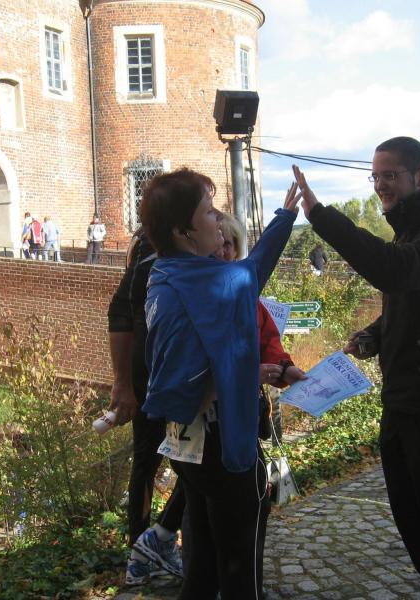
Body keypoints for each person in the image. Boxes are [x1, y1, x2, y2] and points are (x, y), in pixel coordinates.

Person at [292, 136, 420, 599]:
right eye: (375, 176)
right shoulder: (413, 227)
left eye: (389, 175)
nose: (380, 185)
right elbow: (416, 301)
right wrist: (375, 335)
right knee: (415, 521)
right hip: (404, 400)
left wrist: (321, 216)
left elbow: (398, 271)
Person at [141, 168, 299, 599]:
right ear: (184, 232)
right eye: (209, 212)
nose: (217, 220)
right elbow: (252, 272)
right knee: (239, 570)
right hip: (218, 444)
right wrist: (285, 218)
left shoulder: (164, 275)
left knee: (205, 566)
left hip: (188, 446)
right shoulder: (201, 280)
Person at [107, 225, 187, 586]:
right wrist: (123, 383)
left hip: (191, 370)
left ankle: (167, 539)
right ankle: (140, 548)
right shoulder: (149, 242)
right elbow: (121, 310)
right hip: (152, 372)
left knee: (197, 462)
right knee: (148, 459)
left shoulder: (210, 230)